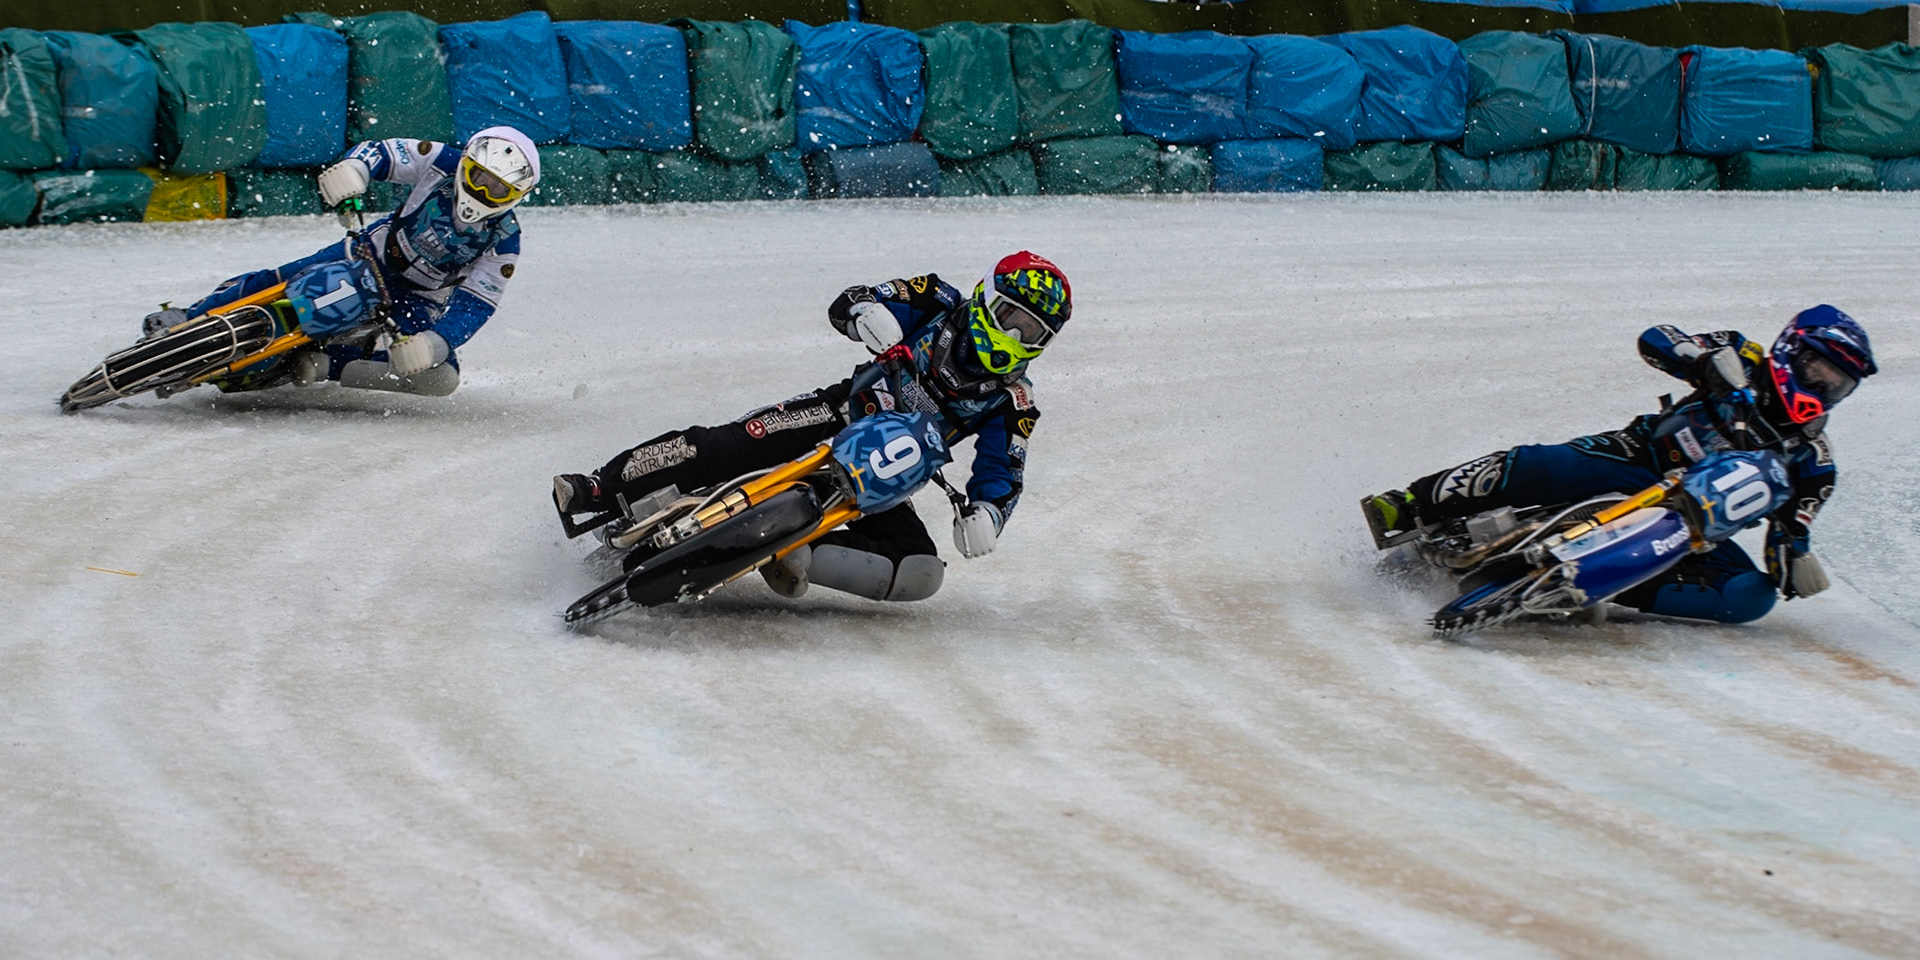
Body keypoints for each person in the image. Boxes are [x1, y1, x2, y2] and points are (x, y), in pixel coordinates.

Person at [552, 252, 1072, 602]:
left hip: (885, 479)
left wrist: (988, 514)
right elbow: (853, 298)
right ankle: (598, 486)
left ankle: (793, 550)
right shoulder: (936, 299)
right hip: (838, 413)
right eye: (1009, 315)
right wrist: (865, 311)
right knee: (729, 443)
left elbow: (1004, 473)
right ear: (985, 297)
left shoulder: (1014, 401)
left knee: (920, 571)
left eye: (1032, 332)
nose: (1014, 334)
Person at [1362, 306, 1876, 624]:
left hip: (1692, 528)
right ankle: (1412, 502)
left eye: (1837, 384)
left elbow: (1790, 535)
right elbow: (1657, 337)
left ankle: (1596, 584)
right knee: (1548, 465)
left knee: (1750, 597)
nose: (1824, 388)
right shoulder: (1741, 354)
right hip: (1637, 457)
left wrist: (1794, 560)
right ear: (1791, 350)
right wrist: (1704, 366)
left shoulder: (1815, 462)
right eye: (1818, 370)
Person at [142, 126, 538, 396]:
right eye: (478, 176)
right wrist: (356, 168)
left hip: (418, 299)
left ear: (516, 195)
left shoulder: (505, 242)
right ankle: (191, 316)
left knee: (441, 380)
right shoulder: (441, 160)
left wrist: (438, 343)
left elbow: (476, 304)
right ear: (466, 163)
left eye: (499, 188)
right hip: (371, 252)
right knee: (283, 276)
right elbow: (385, 152)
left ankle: (323, 364)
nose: (484, 190)